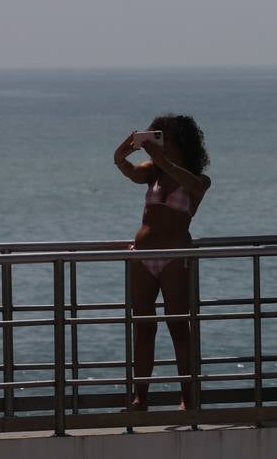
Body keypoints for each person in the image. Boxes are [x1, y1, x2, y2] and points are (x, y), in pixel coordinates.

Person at [113, 115, 212, 410]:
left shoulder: (198, 179)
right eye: (157, 136)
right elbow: (129, 171)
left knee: (178, 326)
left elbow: (193, 185)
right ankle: (140, 397)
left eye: (164, 136)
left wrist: (161, 159)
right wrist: (122, 152)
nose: (161, 142)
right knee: (143, 326)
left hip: (174, 256)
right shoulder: (153, 172)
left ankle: (188, 397)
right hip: (143, 256)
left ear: (181, 141)